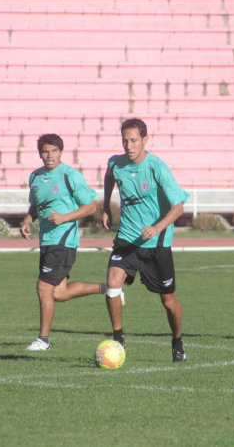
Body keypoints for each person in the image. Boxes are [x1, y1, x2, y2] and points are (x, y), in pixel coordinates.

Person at [102, 118, 189, 362]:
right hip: (127, 240)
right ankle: (118, 338)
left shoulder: (157, 167)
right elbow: (110, 176)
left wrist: (157, 227)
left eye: (133, 141)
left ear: (144, 140)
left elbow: (179, 206)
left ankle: (177, 341)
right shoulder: (116, 163)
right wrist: (107, 205)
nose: (128, 146)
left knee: (169, 301)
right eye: (124, 141)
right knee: (112, 284)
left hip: (156, 245)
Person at [20, 133, 106, 351]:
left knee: (43, 288)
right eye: (45, 151)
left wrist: (65, 217)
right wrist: (28, 219)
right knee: (59, 292)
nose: (49, 155)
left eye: (54, 151)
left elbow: (91, 206)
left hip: (64, 240)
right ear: (40, 154)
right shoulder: (35, 177)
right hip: (46, 240)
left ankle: (43, 340)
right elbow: (36, 205)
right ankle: (107, 287)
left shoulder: (70, 175)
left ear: (61, 152)